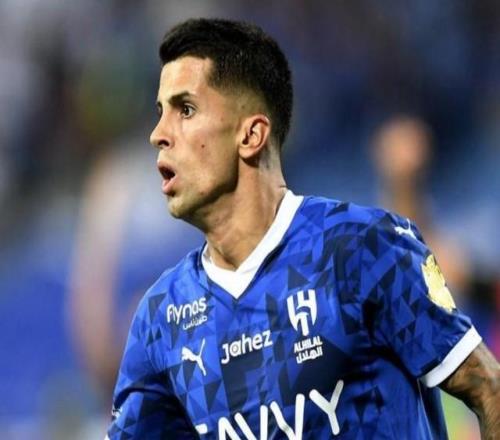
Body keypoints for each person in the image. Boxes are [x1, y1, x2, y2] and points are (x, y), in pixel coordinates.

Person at [106, 18, 499, 439]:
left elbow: (489, 390)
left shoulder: (362, 249)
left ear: (251, 135)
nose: (158, 135)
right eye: (160, 113)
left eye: (185, 109)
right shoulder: (163, 317)